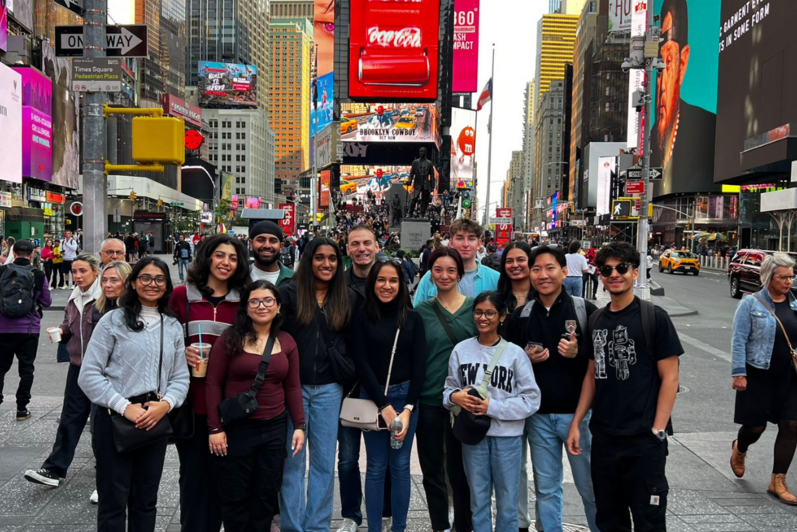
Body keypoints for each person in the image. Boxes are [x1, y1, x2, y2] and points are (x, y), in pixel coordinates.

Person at [567, 242, 683, 531]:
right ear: (600, 276)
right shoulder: (595, 320)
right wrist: (577, 423)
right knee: (609, 519)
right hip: (605, 439)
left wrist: (658, 428)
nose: (614, 274)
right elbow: (592, 376)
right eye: (607, 270)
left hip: (644, 440)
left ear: (634, 273)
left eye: (622, 268)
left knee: (649, 520)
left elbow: (671, 377)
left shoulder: (653, 318)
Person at [78, 257, 190, 532]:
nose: (153, 284)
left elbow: (180, 376)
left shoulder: (172, 326)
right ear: (133, 283)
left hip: (155, 418)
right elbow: (89, 375)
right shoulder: (112, 321)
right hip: (115, 417)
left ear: (167, 286)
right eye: (146, 278)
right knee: (113, 501)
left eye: (159, 279)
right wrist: (124, 406)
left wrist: (166, 405)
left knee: (145, 500)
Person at [505, 245, 599, 532]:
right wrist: (525, 357)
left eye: (550, 268)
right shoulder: (521, 316)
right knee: (546, 488)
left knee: (591, 488)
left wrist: (578, 352)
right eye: (536, 269)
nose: (543, 275)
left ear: (564, 270)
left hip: (579, 417)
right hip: (539, 417)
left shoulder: (586, 311)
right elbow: (505, 362)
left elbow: (599, 364)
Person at [206, 280, 306, 531]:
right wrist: (215, 429)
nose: (262, 306)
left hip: (273, 428)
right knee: (236, 496)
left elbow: (293, 387)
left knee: (265, 495)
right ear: (246, 307)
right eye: (255, 301)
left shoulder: (287, 341)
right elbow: (213, 383)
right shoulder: (230, 338)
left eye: (268, 300)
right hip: (237, 428)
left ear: (278, 306)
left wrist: (300, 425)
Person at [169, 234, 251, 532]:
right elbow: (163, 343)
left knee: (227, 481)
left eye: (232, 257)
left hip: (231, 408)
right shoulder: (181, 296)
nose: (225, 263)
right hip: (193, 406)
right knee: (193, 479)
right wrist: (182, 353)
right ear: (206, 257)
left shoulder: (245, 300)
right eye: (219, 255)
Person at [444, 291, 540, 532]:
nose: (483, 318)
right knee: (478, 499)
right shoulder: (461, 350)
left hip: (507, 437)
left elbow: (532, 398)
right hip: (472, 436)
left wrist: (492, 407)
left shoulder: (515, 353)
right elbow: (447, 391)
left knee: (508, 502)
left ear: (502, 317)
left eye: (490, 313)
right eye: (478, 312)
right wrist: (455, 396)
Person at [279, 237, 354, 532]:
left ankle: (317, 527)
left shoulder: (346, 298)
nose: (326, 264)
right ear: (308, 260)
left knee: (324, 463)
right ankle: (292, 527)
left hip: (329, 389)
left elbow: (354, 343)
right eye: (320, 258)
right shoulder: (288, 294)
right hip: (292, 389)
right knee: (292, 464)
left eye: (333, 258)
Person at [351, 256, 427, 532]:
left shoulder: (413, 318)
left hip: (405, 397)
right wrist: (382, 404)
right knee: (375, 466)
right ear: (372, 283)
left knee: (400, 466)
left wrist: (407, 408)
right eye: (381, 279)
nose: (387, 285)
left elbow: (420, 367)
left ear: (402, 284)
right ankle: (373, 528)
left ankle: (399, 527)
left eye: (393, 280)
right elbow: (362, 363)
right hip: (373, 397)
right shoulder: (361, 317)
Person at [23, 254, 102, 487]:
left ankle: (105, 477)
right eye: (75, 271)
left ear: (96, 271)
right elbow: (69, 325)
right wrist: (61, 332)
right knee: (70, 417)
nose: (77, 276)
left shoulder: (105, 297)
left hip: (102, 371)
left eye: (83, 271)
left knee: (101, 425)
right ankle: (53, 470)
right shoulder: (74, 296)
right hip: (78, 365)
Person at [414, 248, 477, 532]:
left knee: (462, 469)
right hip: (429, 398)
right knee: (432, 469)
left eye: (451, 270)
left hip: (465, 402)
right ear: (430, 273)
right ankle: (440, 524)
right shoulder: (421, 312)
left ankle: (463, 524)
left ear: (460, 274)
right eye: (438, 270)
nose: (444, 275)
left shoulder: (475, 309)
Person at [338, 225, 393, 532]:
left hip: (383, 383)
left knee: (380, 457)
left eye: (367, 243)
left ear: (376, 245)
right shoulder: (337, 284)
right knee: (347, 457)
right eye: (355, 243)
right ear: (347, 248)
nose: (361, 248)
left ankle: (383, 512)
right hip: (347, 383)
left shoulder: (388, 279)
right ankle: (351, 514)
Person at [730, 253, 797, 503]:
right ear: (769, 276)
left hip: (790, 377)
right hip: (759, 374)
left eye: (791, 276)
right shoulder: (751, 303)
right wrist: (739, 372)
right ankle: (740, 447)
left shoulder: (796, 302)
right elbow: (739, 339)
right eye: (783, 277)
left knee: (791, 425)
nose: (788, 281)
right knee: (755, 427)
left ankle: (777, 480)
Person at [650, 0, 716, 195]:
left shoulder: (711, 131)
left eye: (668, 62)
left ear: (683, 62)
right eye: (659, 67)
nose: (661, 85)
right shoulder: (648, 144)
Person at [0, 240, 53, 421]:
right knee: (26, 369)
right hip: (29, 329)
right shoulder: (37, 274)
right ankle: (22, 409)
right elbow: (47, 302)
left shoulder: (1, 271)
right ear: (32, 254)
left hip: (2, 328)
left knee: (0, 369)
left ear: (13, 253)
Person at [415, 218, 500, 303]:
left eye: (471, 239)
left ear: (479, 244)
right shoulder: (432, 276)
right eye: (460, 238)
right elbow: (417, 313)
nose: (465, 244)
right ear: (451, 243)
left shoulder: (495, 279)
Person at [249, 221, 295, 286]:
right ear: (251, 244)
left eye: (273, 241)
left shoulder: (295, 279)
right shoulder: (238, 277)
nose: (267, 245)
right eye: (261, 240)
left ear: (281, 246)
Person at [496, 242, 534, 315]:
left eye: (520, 260)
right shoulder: (497, 300)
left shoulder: (544, 298)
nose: (515, 265)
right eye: (509, 261)